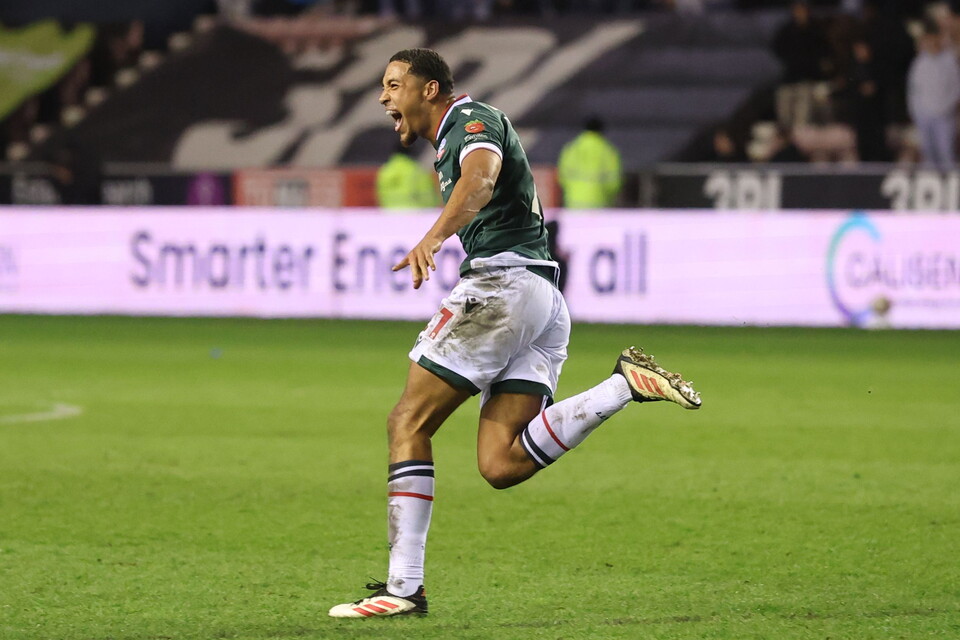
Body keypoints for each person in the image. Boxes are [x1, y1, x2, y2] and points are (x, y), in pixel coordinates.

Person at [328, 47, 701, 619]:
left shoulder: (471, 122)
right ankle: (624, 385)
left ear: (430, 89)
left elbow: (480, 181)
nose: (384, 97)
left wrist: (433, 237)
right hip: (542, 300)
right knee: (500, 463)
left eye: (394, 84)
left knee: (408, 420)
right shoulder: (453, 137)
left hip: (501, 289)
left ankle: (403, 589)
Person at [907, 21, 960, 171]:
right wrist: (916, 112)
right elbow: (913, 90)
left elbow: (956, 88)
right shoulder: (919, 63)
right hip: (924, 115)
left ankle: (951, 186)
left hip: (944, 115)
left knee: (946, 152)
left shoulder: (949, 61)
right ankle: (930, 187)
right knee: (928, 153)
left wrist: (946, 108)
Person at [557, 116, 622, 209]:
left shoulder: (571, 148)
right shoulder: (608, 151)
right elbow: (614, 182)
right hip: (600, 202)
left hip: (574, 202)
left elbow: (562, 176)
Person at [376, 143, 439, 209]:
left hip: (389, 211)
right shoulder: (417, 169)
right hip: (415, 212)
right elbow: (428, 194)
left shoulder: (386, 169)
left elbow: (380, 194)